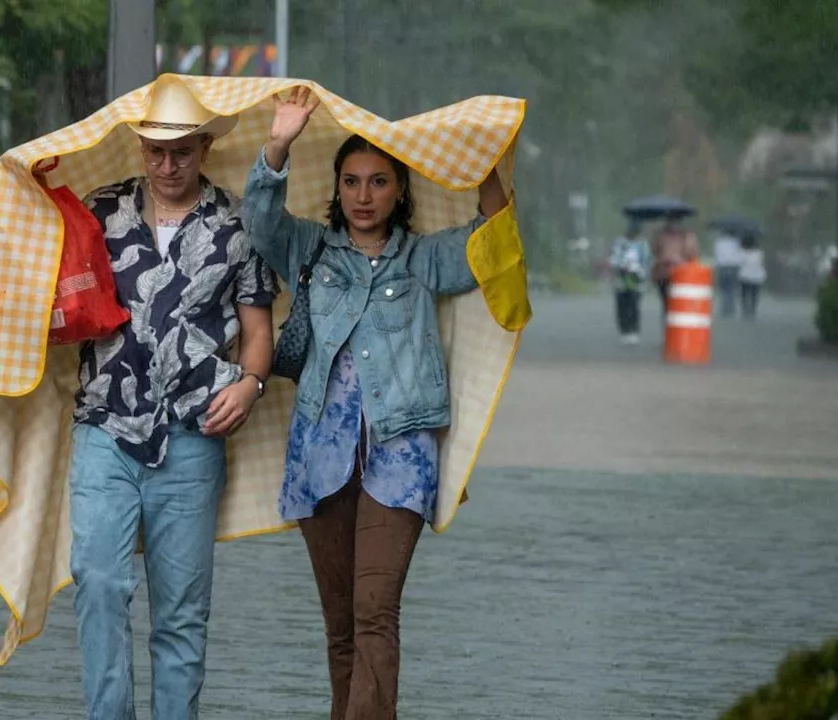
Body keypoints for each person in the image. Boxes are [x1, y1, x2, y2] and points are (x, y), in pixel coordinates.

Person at [241, 86, 509, 719]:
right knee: (340, 628)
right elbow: (259, 221)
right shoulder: (310, 249)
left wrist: (490, 157)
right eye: (352, 182)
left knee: (374, 615)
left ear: (399, 192)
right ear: (337, 189)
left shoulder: (422, 261)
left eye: (379, 182)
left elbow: (491, 241)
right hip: (320, 458)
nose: (364, 196)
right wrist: (279, 142)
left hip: (400, 458)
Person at [69, 77, 279, 718]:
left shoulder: (237, 223)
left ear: (204, 150)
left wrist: (250, 384)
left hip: (193, 436)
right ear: (138, 147)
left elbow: (258, 329)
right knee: (99, 581)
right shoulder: (98, 212)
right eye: (156, 152)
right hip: (105, 426)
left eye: (182, 151)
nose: (168, 165)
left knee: (181, 614)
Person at [608, 219, 651, 344]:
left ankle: (634, 330)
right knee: (622, 305)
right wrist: (620, 266)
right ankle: (624, 330)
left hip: (636, 278)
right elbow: (614, 259)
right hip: (621, 277)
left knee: (634, 305)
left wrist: (641, 273)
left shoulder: (642, 244)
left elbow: (645, 261)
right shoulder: (620, 243)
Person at [650, 217, 700, 318]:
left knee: (673, 302)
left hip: (678, 274)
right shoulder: (685, 235)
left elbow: (692, 253)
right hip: (668, 273)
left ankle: (673, 324)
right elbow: (693, 253)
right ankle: (671, 324)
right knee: (671, 302)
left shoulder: (686, 236)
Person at [712, 230, 745, 317]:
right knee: (732, 288)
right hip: (733, 266)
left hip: (723, 266)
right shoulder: (737, 241)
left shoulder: (719, 242)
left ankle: (724, 308)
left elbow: (717, 254)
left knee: (724, 288)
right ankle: (731, 309)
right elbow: (740, 254)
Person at [738, 236, 766, 320]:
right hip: (757, 276)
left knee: (744, 294)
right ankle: (753, 310)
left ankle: (745, 309)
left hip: (745, 275)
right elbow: (762, 263)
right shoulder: (759, 253)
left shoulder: (742, 252)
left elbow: (739, 263)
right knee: (754, 295)